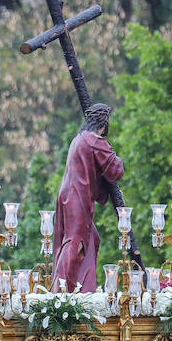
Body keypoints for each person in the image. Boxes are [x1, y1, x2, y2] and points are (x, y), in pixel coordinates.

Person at [52, 103, 127, 292]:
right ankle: (61, 291)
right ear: (104, 121)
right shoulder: (94, 140)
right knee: (76, 241)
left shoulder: (80, 139)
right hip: (77, 196)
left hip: (70, 194)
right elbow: (115, 170)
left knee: (91, 238)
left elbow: (94, 171)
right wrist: (115, 155)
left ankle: (81, 286)